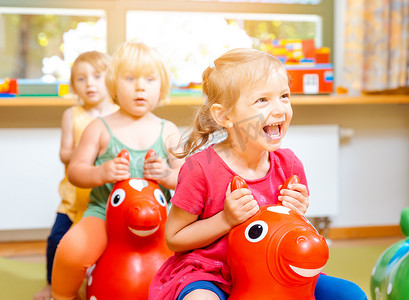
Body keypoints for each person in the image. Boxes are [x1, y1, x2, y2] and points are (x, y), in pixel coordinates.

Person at [149, 48, 367, 300]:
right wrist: (225, 220)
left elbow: (289, 232)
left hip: (274, 268)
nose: (279, 109)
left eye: (284, 96)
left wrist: (298, 213)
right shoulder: (201, 168)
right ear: (224, 115)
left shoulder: (289, 164)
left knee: (351, 294)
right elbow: (174, 238)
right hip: (211, 274)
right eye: (262, 100)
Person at [50, 41, 184, 300]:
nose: (140, 86)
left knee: (191, 254)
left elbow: (185, 178)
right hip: (104, 213)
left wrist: (167, 175)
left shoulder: (168, 130)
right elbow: (76, 171)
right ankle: (62, 295)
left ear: (162, 86)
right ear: (113, 85)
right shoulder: (99, 127)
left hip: (156, 221)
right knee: (71, 248)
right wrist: (101, 173)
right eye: (130, 78)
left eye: (150, 79)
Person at [33, 51, 118, 300]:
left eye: (97, 76)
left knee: (107, 244)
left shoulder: (116, 114)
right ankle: (52, 285)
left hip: (105, 195)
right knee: (57, 239)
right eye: (81, 79)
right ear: (73, 85)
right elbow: (64, 154)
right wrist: (87, 149)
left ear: (111, 80)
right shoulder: (72, 115)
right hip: (73, 196)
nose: (89, 83)